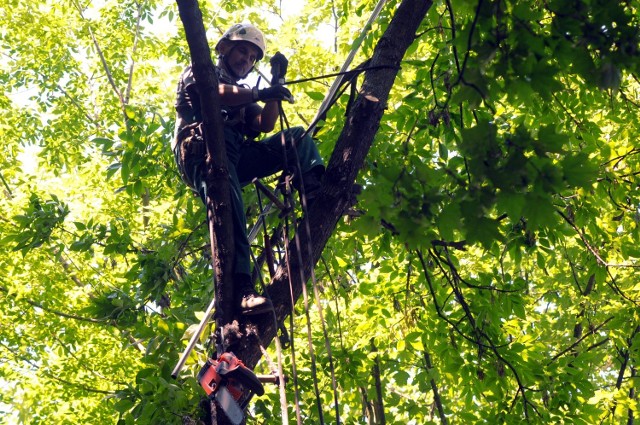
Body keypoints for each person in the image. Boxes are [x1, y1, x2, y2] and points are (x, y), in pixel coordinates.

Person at [172, 23, 325, 315]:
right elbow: (211, 93)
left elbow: (265, 125)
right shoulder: (201, 70)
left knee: (295, 138)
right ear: (226, 48)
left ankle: (316, 188)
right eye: (243, 50)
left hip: (237, 154)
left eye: (254, 57)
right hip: (203, 153)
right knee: (232, 207)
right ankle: (242, 288)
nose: (247, 60)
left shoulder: (243, 92)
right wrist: (260, 92)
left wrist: (276, 86)